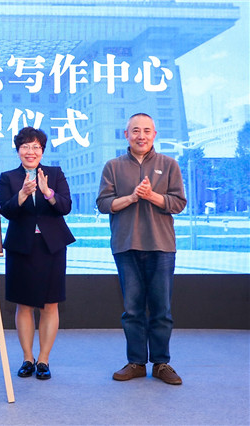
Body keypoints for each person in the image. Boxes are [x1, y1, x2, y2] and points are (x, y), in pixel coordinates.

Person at [96, 113, 187, 385]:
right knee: (132, 310)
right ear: (126, 135)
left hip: (161, 247)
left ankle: (161, 364)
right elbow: (104, 204)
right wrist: (133, 197)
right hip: (126, 246)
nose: (141, 136)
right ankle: (135, 363)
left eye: (147, 130)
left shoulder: (169, 164)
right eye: (135, 130)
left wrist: (151, 196)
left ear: (154, 134)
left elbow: (179, 203)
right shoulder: (113, 166)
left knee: (161, 310)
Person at [0, 127, 75, 380]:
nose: (30, 151)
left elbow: (65, 206)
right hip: (21, 246)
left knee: (50, 304)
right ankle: (27, 358)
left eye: (36, 147)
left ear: (42, 150)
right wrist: (22, 194)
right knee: (24, 304)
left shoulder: (55, 173)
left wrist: (47, 192)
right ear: (18, 150)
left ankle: (43, 360)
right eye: (25, 147)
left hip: (51, 246)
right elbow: (6, 210)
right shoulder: (8, 177)